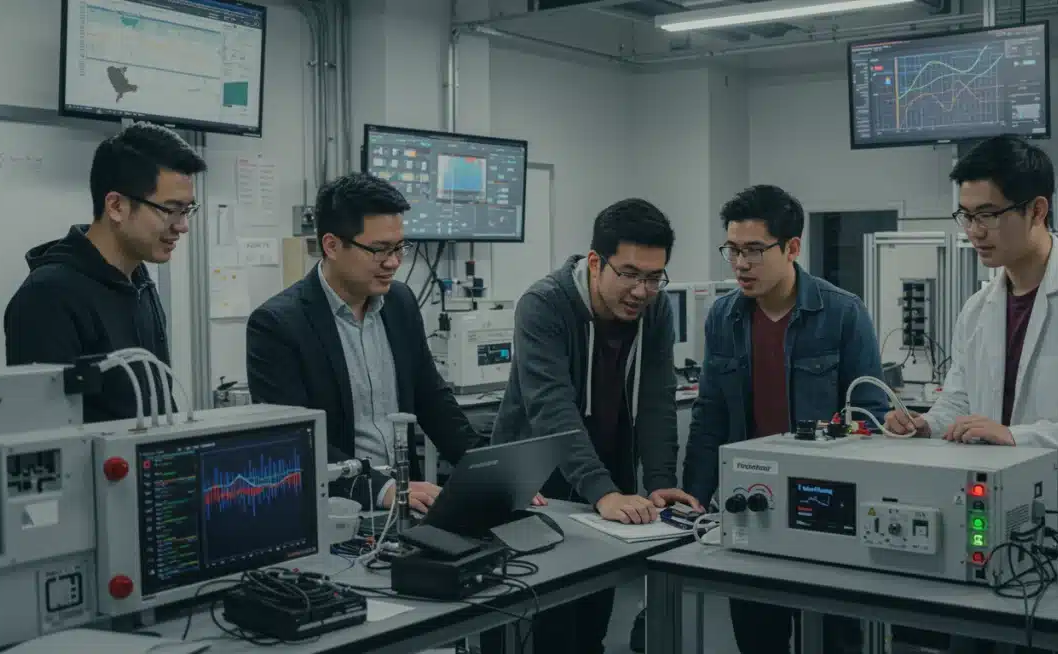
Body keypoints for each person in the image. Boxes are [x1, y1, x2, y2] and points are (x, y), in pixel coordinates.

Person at [885, 134, 1058, 548]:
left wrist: (1019, 439)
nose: (975, 232)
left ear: (1037, 210)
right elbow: (961, 400)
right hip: (999, 525)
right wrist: (927, 424)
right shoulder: (978, 309)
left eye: (988, 215)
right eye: (966, 216)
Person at [682, 184, 889, 654]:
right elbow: (710, 414)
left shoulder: (842, 313)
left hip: (828, 510)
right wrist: (694, 498)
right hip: (753, 504)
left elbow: (871, 417)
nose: (740, 264)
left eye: (754, 250)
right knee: (758, 635)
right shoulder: (724, 317)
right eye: (732, 250)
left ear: (792, 247)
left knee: (836, 639)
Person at [491, 198, 700, 654]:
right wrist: (602, 491)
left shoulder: (655, 309)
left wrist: (661, 484)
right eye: (628, 274)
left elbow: (656, 403)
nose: (642, 290)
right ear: (594, 262)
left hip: (607, 485)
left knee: (588, 627)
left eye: (653, 276)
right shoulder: (543, 305)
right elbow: (552, 409)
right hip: (535, 485)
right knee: (534, 624)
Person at [246, 172, 478, 511]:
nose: (394, 262)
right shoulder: (278, 325)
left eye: (400, 247)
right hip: (335, 509)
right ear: (332, 245)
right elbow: (295, 441)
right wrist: (383, 489)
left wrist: (483, 468)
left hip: (407, 504)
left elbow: (432, 398)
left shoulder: (400, 303)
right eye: (379, 250)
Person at [5, 122, 206, 423]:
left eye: (187, 210)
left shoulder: (140, 282)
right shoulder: (47, 297)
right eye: (170, 209)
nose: (182, 225)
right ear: (115, 206)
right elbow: (44, 434)